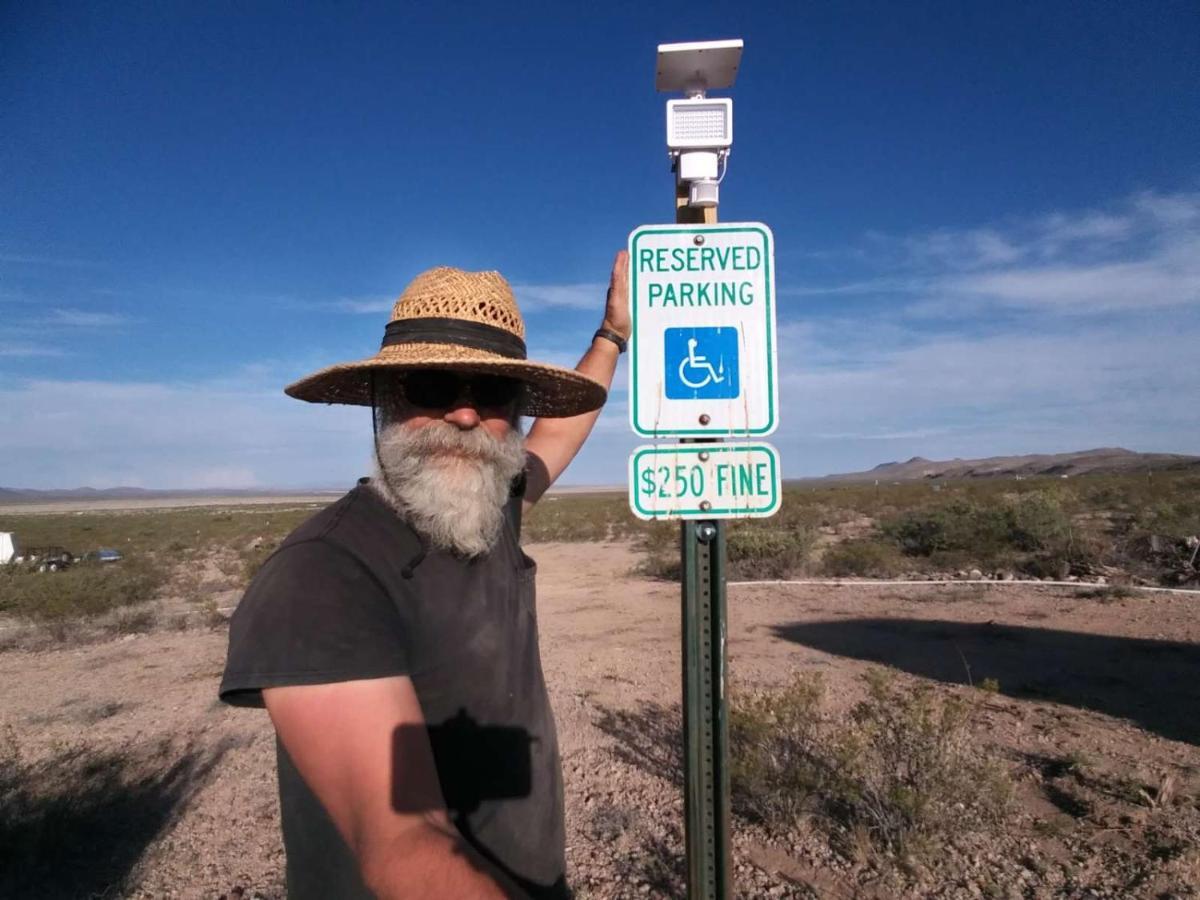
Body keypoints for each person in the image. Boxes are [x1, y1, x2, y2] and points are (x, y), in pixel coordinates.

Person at [219, 254, 631, 900]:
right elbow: (405, 844)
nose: (465, 416)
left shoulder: (488, 510)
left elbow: (558, 439)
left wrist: (612, 336)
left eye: (493, 392)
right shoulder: (325, 575)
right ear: (385, 397)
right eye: (434, 385)